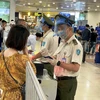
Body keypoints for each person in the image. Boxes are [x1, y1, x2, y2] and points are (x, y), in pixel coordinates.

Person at [43, 12, 83, 100]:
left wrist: (57, 63)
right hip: (58, 80)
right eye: (58, 28)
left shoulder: (76, 45)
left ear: (69, 29)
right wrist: (48, 57)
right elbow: (56, 57)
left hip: (68, 82)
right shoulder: (62, 42)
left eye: (62, 28)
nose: (59, 31)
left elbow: (75, 67)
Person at [0, 25, 36, 100]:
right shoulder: (22, 59)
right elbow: (33, 74)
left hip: (4, 95)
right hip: (16, 96)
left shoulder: (1, 55)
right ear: (22, 40)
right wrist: (26, 53)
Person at [31, 14, 58, 78]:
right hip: (51, 64)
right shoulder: (54, 35)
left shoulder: (47, 37)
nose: (40, 26)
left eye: (41, 24)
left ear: (46, 26)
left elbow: (43, 52)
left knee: (46, 84)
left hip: (46, 65)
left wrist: (32, 58)